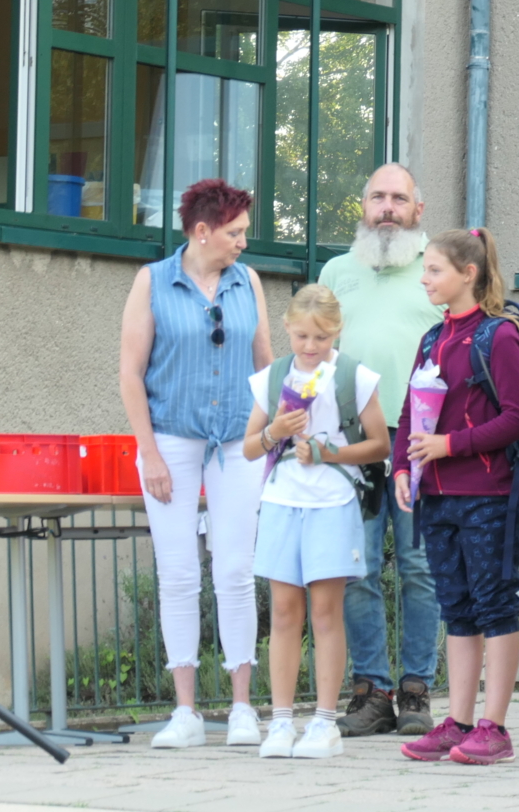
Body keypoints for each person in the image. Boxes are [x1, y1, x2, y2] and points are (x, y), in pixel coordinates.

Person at [117, 179, 273, 750]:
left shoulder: (246, 281)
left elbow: (265, 363)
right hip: (172, 441)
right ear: (201, 231)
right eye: (234, 233)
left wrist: (273, 432)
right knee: (178, 572)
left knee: (235, 570)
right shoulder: (152, 281)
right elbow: (131, 372)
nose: (241, 244)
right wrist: (148, 452)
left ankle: (240, 707)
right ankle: (184, 710)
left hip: (238, 440)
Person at [394, 228, 519, 765]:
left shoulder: (498, 335)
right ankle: (457, 720)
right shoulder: (432, 339)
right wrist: (405, 467)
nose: (425, 279)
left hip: (488, 493)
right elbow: (411, 411)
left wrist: (449, 444)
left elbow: (518, 419)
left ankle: (494, 725)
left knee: (493, 603)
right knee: (456, 608)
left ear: (468, 274)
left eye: (434, 270)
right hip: (436, 494)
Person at [317, 165, 446, 739]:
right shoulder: (337, 272)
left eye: (399, 198)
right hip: (355, 445)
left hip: (421, 444)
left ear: (419, 209)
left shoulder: (439, 270)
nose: (387, 207)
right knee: (357, 569)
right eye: (378, 197)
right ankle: (371, 689)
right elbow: (318, 355)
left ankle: (417, 686)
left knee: (420, 568)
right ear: (362, 206)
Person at [242, 286, 391, 760]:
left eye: (321, 337)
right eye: (303, 336)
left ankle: (324, 722)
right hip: (282, 500)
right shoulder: (271, 378)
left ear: (337, 332)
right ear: (287, 329)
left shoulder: (354, 376)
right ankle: (281, 720)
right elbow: (249, 447)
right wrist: (275, 432)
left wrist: (331, 453)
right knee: (284, 613)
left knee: (326, 614)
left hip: (332, 501)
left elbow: (381, 445)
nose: (310, 346)